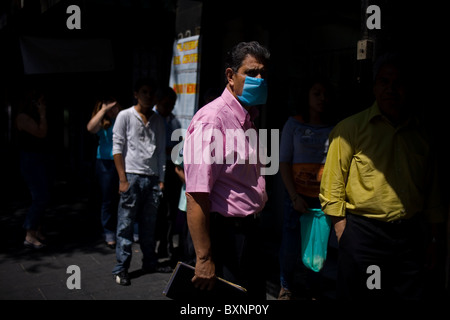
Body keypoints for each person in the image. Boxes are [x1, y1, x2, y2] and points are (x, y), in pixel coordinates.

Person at [319, 53, 446, 300]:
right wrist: (342, 230)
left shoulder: (421, 135)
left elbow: (433, 193)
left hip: (409, 238)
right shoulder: (350, 129)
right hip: (364, 235)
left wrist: (433, 239)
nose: (391, 89)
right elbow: (332, 185)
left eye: (398, 83)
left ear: (407, 89)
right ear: (375, 87)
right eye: (384, 82)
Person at [183, 41, 270, 300]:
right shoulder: (212, 120)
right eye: (251, 73)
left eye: (262, 74)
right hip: (224, 236)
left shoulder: (247, 118)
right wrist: (204, 258)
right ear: (231, 76)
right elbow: (197, 195)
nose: (259, 79)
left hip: (247, 233)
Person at [278, 77, 335, 300]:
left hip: (322, 199)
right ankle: (285, 286)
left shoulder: (335, 127)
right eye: (317, 93)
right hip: (296, 196)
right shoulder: (293, 125)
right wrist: (294, 197)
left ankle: (313, 289)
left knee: (317, 246)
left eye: (325, 94)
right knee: (290, 246)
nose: (322, 98)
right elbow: (284, 162)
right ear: (306, 97)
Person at [111, 78, 170, 286]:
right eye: (144, 91)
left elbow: (162, 151)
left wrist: (161, 180)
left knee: (149, 226)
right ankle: (121, 268)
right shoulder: (125, 116)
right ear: (136, 93)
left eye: (151, 93)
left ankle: (150, 262)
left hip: (152, 178)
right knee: (125, 225)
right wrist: (123, 180)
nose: (148, 96)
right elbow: (117, 148)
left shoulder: (158, 121)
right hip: (132, 176)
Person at [16, 86, 53, 250]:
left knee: (43, 194)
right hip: (30, 159)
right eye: (40, 102)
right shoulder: (23, 117)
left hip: (39, 157)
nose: (43, 105)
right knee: (40, 196)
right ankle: (29, 233)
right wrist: (43, 114)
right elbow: (41, 132)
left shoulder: (33, 116)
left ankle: (37, 229)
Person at [87, 97, 121, 249]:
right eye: (110, 107)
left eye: (115, 106)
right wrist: (103, 110)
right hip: (105, 162)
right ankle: (108, 231)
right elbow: (90, 128)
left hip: (122, 161)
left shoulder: (123, 118)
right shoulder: (102, 122)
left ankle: (125, 230)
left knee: (124, 198)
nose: (113, 110)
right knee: (108, 198)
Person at [153, 86, 182, 261]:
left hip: (172, 168)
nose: (169, 108)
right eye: (166, 104)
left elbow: (177, 147)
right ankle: (157, 244)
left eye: (172, 105)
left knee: (170, 211)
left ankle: (168, 244)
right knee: (157, 212)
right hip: (155, 169)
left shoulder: (174, 121)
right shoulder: (152, 118)